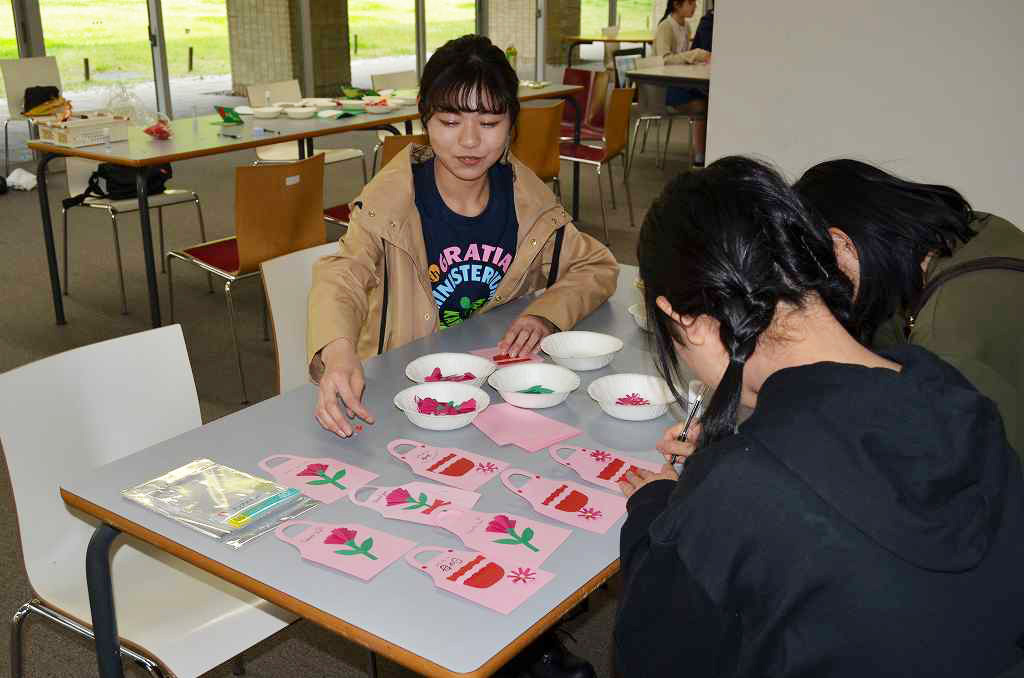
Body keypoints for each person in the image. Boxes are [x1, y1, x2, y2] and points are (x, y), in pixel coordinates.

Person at [614, 157, 1024, 677]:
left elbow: (653, 657)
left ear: (686, 320)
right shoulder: (955, 393)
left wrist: (662, 509)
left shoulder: (736, 490)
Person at [307, 35, 618, 438]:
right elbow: (341, 276)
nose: (470, 141)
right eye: (450, 122)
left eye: (489, 124)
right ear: (425, 121)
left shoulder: (526, 202)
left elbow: (596, 265)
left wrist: (546, 315)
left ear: (512, 125)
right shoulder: (390, 204)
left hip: (487, 398)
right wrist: (337, 350)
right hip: (401, 398)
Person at [794, 159, 1024, 456]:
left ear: (842, 245)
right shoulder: (979, 232)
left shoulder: (948, 338)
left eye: (821, 276)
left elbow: (980, 480)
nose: (828, 294)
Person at [652, 0, 710, 166]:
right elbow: (665, 59)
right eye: (690, 3)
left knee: (707, 98)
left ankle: (702, 152)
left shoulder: (686, 27)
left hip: (679, 83)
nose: (695, 7)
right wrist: (693, 55)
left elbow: (681, 58)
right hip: (664, 88)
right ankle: (700, 155)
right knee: (703, 105)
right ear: (677, 5)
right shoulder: (666, 27)